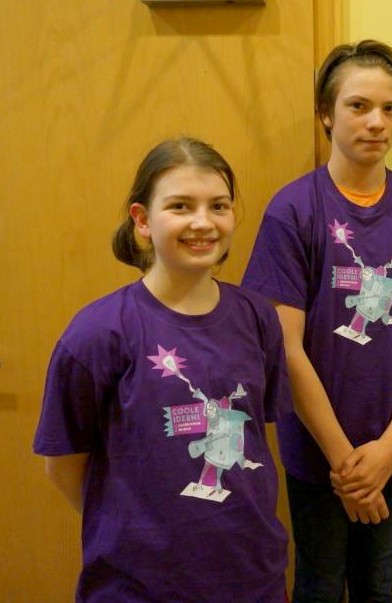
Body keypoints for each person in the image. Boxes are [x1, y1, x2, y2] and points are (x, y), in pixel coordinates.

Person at [242, 40, 392, 602]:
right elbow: (286, 347)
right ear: (326, 113)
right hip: (317, 451)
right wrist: (346, 464)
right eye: (359, 106)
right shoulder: (293, 210)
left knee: (377, 584)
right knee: (318, 585)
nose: (376, 122)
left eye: (390, 109)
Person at [33, 138, 291, 602]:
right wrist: (132, 532)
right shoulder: (97, 333)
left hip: (251, 576)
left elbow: (256, 435)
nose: (202, 222)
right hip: (138, 585)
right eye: (180, 206)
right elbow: (64, 464)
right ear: (142, 220)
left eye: (218, 206)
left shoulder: (258, 318)